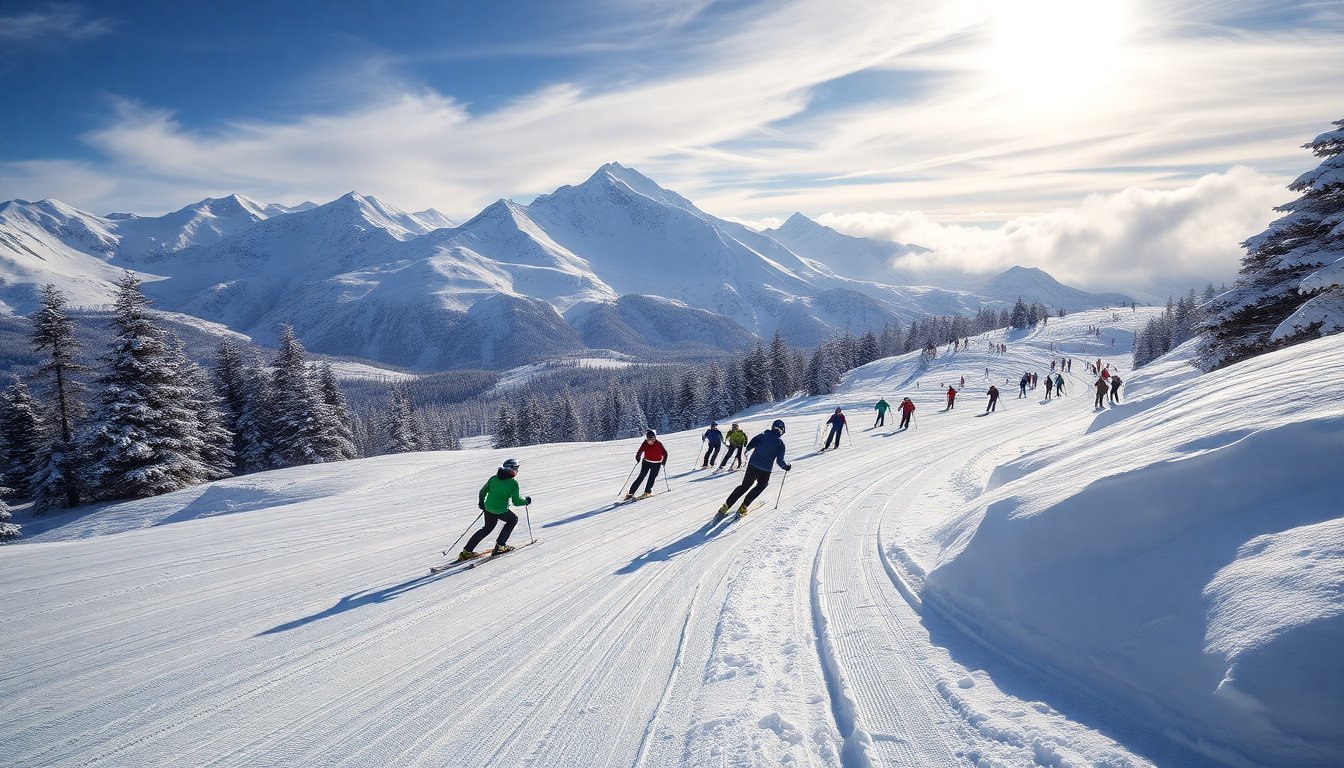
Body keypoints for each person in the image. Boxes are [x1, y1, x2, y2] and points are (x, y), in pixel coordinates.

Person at [459, 458, 530, 560]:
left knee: (487, 528)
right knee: (513, 519)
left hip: (488, 508)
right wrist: (526, 501)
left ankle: (467, 551)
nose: (517, 471)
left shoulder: (493, 479)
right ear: (511, 469)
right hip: (501, 510)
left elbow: (482, 492)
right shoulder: (513, 483)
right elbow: (516, 501)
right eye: (516, 468)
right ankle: (500, 546)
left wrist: (481, 502)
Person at [718, 419, 792, 517]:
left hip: (753, 464)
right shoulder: (781, 444)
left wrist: (748, 449)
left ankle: (726, 507)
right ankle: (743, 507)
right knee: (761, 486)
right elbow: (780, 461)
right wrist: (786, 466)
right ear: (782, 431)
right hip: (765, 470)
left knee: (745, 486)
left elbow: (751, 444)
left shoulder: (763, 435)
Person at [625, 430, 668, 500]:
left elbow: (665, 453)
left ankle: (647, 492)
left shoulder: (659, 444)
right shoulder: (645, 443)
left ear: (655, 438)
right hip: (646, 462)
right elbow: (640, 451)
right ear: (647, 439)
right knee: (641, 477)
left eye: (652, 440)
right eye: (649, 440)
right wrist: (637, 457)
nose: (650, 441)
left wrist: (664, 462)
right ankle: (631, 493)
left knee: (651, 478)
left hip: (657, 463)